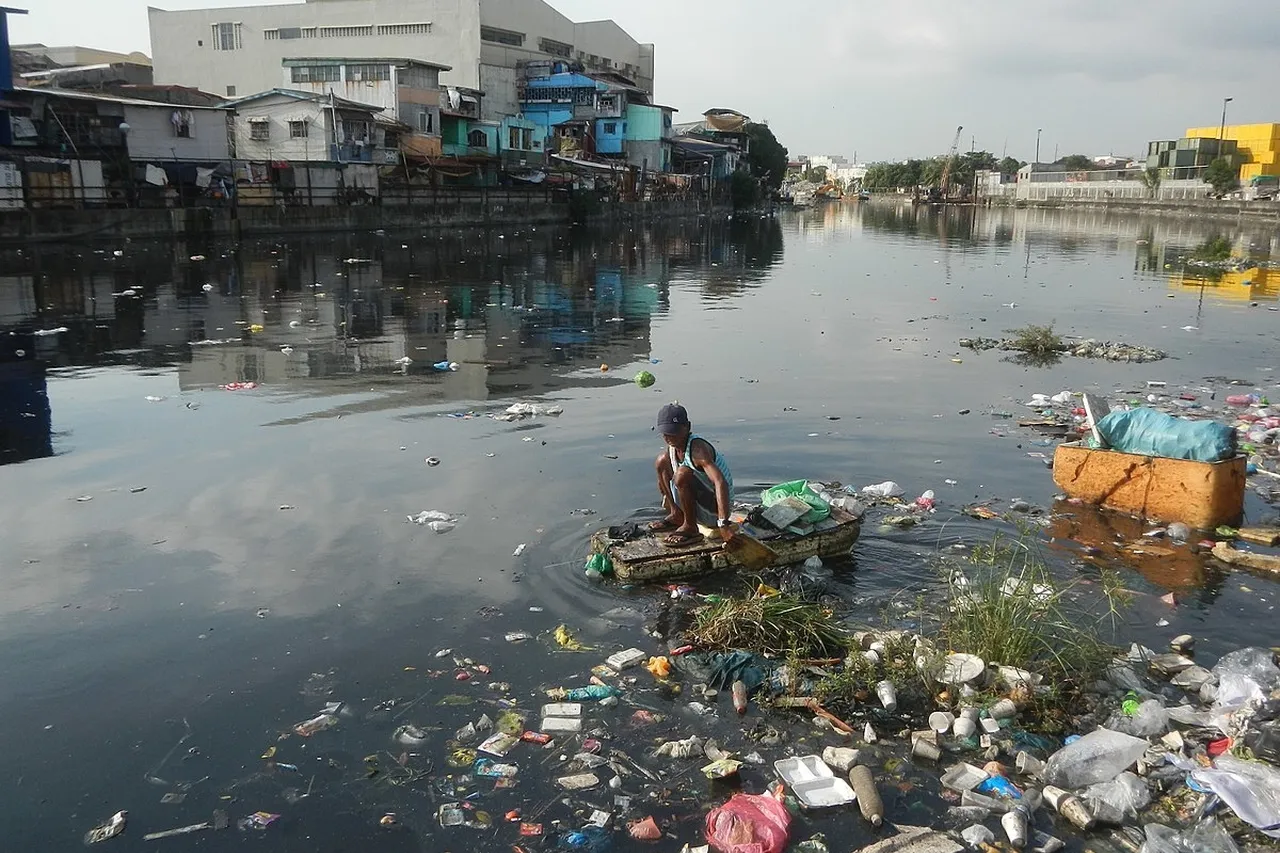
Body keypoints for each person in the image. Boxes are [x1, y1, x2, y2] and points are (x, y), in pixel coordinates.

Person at [651, 403, 734, 547]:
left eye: (675, 432)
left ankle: (690, 527)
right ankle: (677, 515)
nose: (670, 437)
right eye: (666, 433)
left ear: (687, 427)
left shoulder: (698, 449)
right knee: (661, 461)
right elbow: (665, 480)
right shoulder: (672, 449)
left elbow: (720, 482)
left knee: (682, 473)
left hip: (714, 511)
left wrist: (723, 524)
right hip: (698, 505)